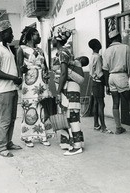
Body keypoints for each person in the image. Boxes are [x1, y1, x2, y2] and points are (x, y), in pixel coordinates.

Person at [0, 20, 23, 157]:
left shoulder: (7, 48)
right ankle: (2, 147)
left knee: (12, 118)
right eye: (10, 33)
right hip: (4, 90)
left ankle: (8, 142)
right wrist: (13, 78)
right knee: (5, 119)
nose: (12, 35)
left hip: (12, 88)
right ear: (2, 34)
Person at [16, 26, 54, 147]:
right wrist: (20, 78)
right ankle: (28, 137)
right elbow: (19, 68)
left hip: (42, 82)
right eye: (37, 34)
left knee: (43, 107)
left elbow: (46, 66)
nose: (39, 37)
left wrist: (47, 76)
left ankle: (42, 135)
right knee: (30, 108)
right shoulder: (21, 49)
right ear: (31, 36)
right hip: (29, 83)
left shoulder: (41, 50)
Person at [52, 27, 84, 156]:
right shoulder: (65, 52)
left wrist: (58, 92)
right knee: (70, 116)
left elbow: (64, 73)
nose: (52, 40)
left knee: (72, 117)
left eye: (54, 38)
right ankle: (73, 143)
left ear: (58, 39)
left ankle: (77, 146)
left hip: (69, 88)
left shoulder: (62, 53)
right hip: (70, 88)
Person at [102, 30, 130, 135]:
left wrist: (106, 85)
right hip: (121, 76)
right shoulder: (125, 47)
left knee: (115, 103)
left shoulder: (107, 51)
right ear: (119, 37)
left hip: (111, 77)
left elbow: (105, 69)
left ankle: (118, 128)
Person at [88, 38, 112, 134]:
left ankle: (96, 124)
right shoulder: (98, 57)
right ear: (97, 46)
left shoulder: (92, 57)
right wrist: (106, 83)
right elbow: (99, 72)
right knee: (101, 104)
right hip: (98, 83)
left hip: (94, 82)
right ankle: (103, 127)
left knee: (96, 103)